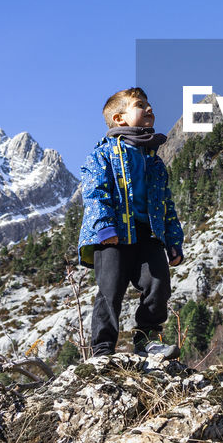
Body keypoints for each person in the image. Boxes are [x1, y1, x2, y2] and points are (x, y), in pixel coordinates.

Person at [78, 87, 184, 359]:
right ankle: (102, 349)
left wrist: (173, 241)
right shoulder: (102, 154)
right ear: (119, 119)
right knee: (110, 290)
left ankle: (147, 339)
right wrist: (104, 227)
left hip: (147, 235)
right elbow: (95, 192)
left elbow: (166, 205)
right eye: (140, 105)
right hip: (112, 235)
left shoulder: (155, 162)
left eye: (150, 104)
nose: (149, 108)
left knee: (159, 284)